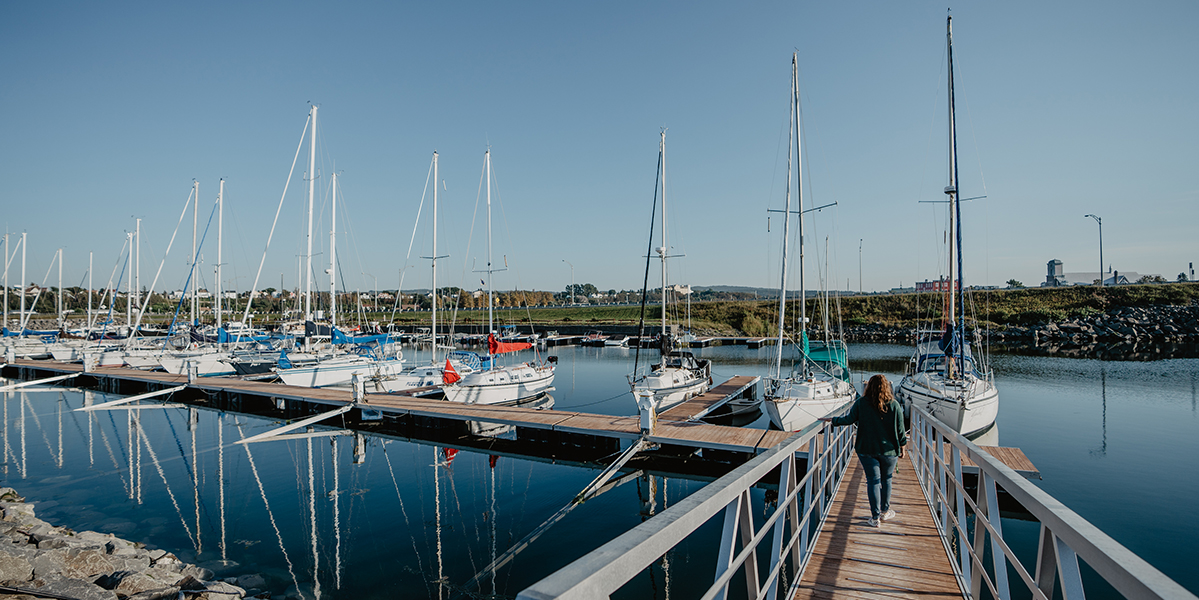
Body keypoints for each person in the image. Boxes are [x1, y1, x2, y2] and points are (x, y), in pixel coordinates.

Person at [819, 374, 907, 528]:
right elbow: (901, 430)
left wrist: (833, 420)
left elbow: (848, 420)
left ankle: (874, 518)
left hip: (866, 449)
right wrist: (903, 447)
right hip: (889, 451)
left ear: (869, 387)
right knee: (886, 480)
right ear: (887, 387)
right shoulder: (894, 405)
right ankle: (885, 511)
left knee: (873, 480)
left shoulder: (861, 403)